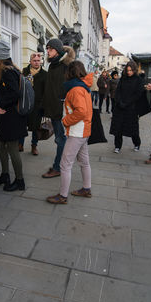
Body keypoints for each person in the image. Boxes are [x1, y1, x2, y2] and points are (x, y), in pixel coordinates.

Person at [46, 61, 93, 204]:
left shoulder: (75, 89)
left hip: (76, 132)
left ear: (69, 73)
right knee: (84, 162)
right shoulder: (83, 87)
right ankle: (86, 189)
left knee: (65, 164)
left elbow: (81, 111)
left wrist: (65, 121)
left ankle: (63, 196)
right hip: (83, 131)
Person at [0, 40, 27, 191]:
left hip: (12, 117)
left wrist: (1, 105)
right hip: (11, 117)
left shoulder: (7, 72)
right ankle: (5, 174)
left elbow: (15, 93)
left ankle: (19, 181)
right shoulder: (13, 70)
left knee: (12, 148)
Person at [41, 39, 76, 179]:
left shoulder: (66, 66)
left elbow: (72, 88)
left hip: (62, 110)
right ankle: (62, 165)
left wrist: (64, 103)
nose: (47, 51)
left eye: (50, 48)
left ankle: (58, 167)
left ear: (58, 50)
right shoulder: (52, 66)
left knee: (61, 140)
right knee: (61, 140)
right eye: (47, 48)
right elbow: (50, 89)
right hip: (53, 109)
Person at [109, 61, 146, 153]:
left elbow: (138, 94)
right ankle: (117, 146)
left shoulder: (138, 80)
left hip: (131, 108)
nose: (129, 72)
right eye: (128, 70)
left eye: (131, 70)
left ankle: (137, 144)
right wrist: (119, 101)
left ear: (134, 70)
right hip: (120, 107)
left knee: (133, 128)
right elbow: (118, 91)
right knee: (118, 127)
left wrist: (127, 103)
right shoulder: (123, 79)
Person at [19, 52, 47, 155]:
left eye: (38, 61)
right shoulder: (24, 72)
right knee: (22, 125)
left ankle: (34, 146)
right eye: (34, 60)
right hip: (25, 103)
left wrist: (43, 106)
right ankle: (20, 144)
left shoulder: (45, 74)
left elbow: (46, 91)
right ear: (30, 61)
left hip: (37, 105)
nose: (36, 62)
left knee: (36, 127)